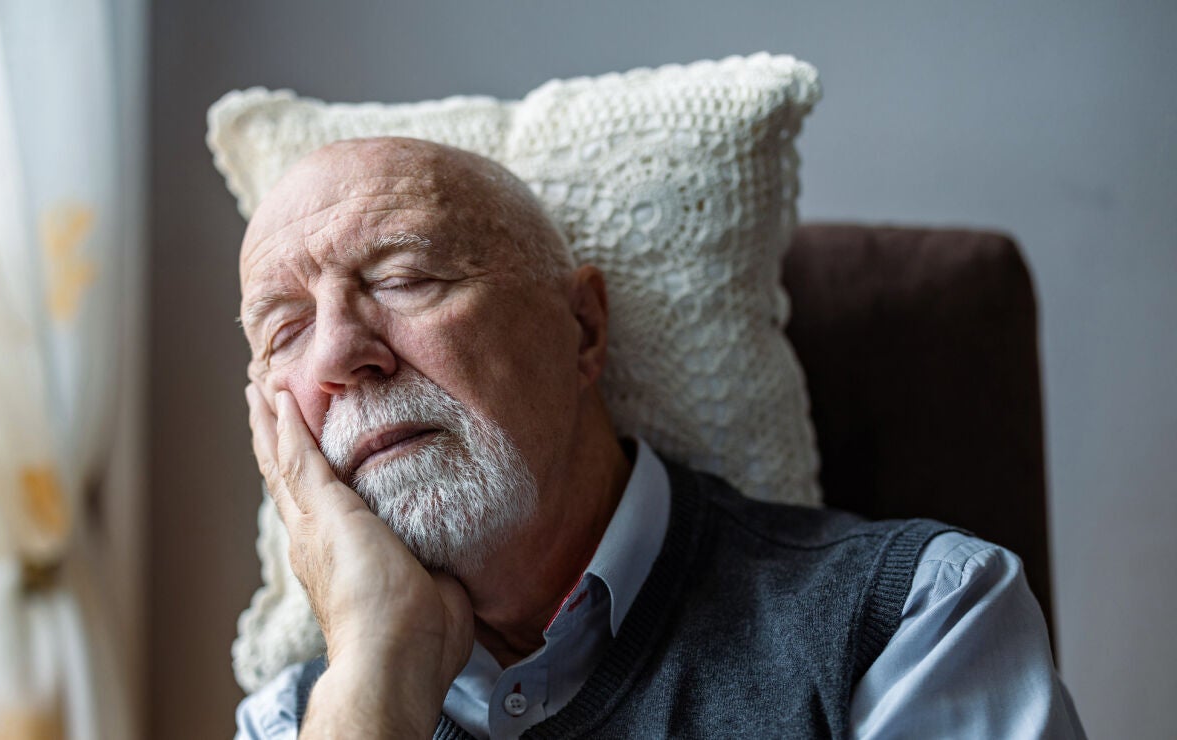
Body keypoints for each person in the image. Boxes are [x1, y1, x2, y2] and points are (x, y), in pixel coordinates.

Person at [235, 137, 1084, 739]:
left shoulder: (915, 621)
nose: (341, 356)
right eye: (285, 332)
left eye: (403, 277)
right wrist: (378, 669)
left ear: (583, 328)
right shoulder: (296, 719)